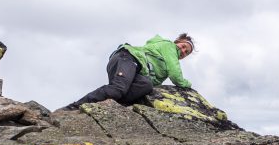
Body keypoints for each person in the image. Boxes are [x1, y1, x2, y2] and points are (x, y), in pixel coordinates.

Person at [64, 33, 194, 110]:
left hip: (134, 70)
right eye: (183, 46)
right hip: (128, 58)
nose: (183, 51)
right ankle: (74, 107)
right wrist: (187, 84)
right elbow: (176, 75)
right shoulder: (169, 46)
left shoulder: (165, 62)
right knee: (117, 89)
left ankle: (111, 106)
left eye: (186, 52)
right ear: (177, 42)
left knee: (145, 85)